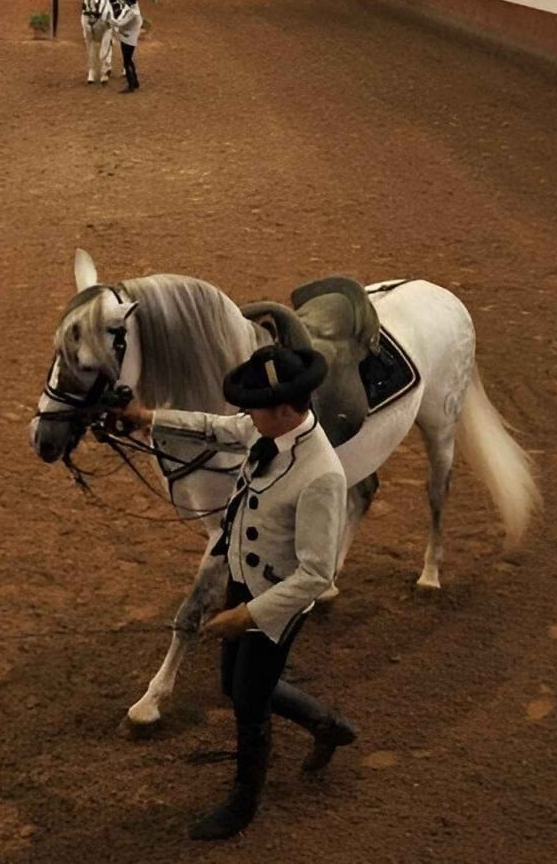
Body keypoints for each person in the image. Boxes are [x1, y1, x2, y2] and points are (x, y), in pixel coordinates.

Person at [115, 345, 357, 840]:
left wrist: (247, 616)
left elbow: (315, 575)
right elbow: (214, 427)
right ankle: (324, 723)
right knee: (234, 685)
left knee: (248, 701)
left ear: (285, 409)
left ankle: (244, 801)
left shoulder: (322, 475)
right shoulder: (266, 430)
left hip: (275, 607)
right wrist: (149, 417)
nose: (246, 415)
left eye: (255, 407)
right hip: (243, 586)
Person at [109, 0, 142, 94]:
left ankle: (131, 85)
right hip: (128, 37)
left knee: (127, 62)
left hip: (128, 39)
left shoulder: (133, 13)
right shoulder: (134, 8)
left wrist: (110, 19)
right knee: (129, 60)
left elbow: (121, 23)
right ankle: (135, 81)